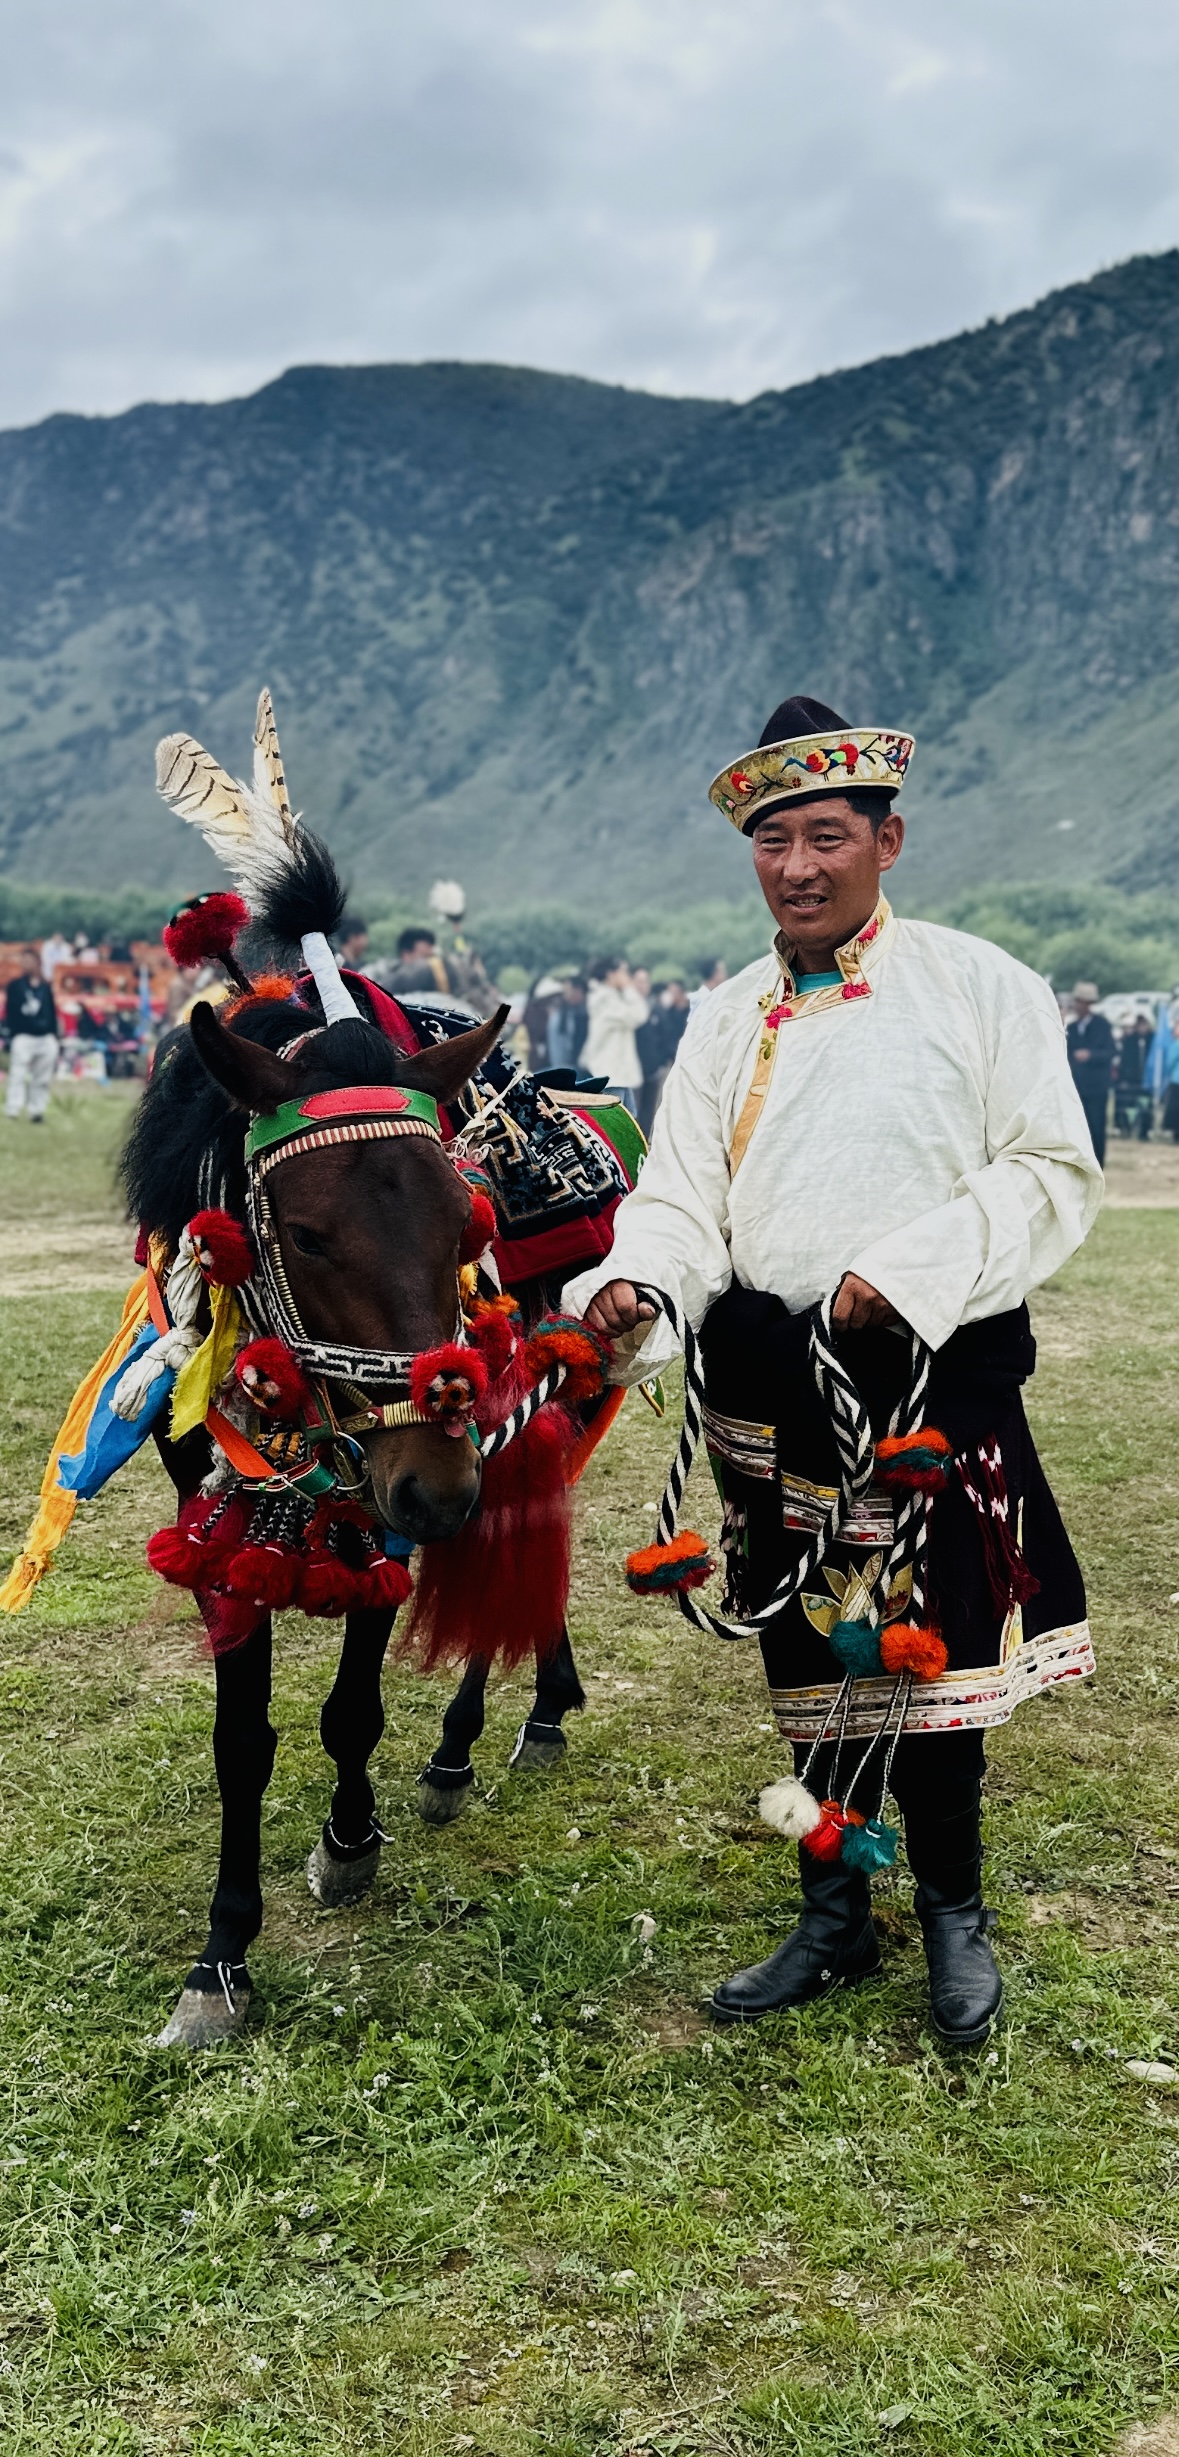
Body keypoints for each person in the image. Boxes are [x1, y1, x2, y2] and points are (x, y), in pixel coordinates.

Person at [565, 692, 1100, 2048]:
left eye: (822, 837)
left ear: (885, 839)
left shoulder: (982, 988)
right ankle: (831, 1917)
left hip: (925, 1385)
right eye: (770, 845)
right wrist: (636, 1280)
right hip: (767, 1401)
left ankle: (948, 1916)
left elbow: (1049, 1170)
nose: (796, 868)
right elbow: (682, 1196)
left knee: (921, 1673)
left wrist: (905, 1272)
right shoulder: (720, 1017)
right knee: (806, 1660)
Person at [582, 957, 648, 1114]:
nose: (627, 976)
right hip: (610, 1073)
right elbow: (638, 1015)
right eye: (623, 971)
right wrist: (629, 989)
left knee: (629, 1120)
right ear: (610, 974)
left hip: (618, 1072)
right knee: (616, 1125)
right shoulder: (604, 999)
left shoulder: (610, 997)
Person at [4, 953, 59, 1122]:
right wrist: (11, 1034)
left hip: (45, 1037)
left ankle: (37, 1110)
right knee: (18, 1073)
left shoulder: (45, 987)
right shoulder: (15, 986)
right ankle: (13, 1109)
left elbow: (52, 1011)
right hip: (23, 1036)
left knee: (42, 1077)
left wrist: (55, 1035)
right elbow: (10, 1012)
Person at [1065, 982, 1115, 1167]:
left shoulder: (1102, 1026)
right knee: (1077, 1125)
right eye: (1078, 1001)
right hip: (1076, 1086)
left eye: (1083, 1002)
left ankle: (1098, 1161)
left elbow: (1111, 1052)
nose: (1079, 1005)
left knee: (1096, 1124)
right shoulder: (1071, 1027)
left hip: (1096, 1086)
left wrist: (1091, 1055)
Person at [1114, 1008, 1156, 1140]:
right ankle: (1126, 1128)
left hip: (1148, 1080)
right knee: (1129, 1106)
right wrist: (1123, 1078)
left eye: (1144, 1024)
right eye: (1139, 1024)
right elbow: (1124, 1060)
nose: (1142, 1027)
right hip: (1133, 1079)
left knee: (1147, 1106)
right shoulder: (1130, 1040)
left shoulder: (1153, 1040)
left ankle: (1145, 1131)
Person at [547, 976, 589, 1073]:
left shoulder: (590, 1011)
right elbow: (557, 1049)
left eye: (568, 991)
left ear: (578, 990)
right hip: (569, 1068)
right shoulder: (561, 1016)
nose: (565, 995)